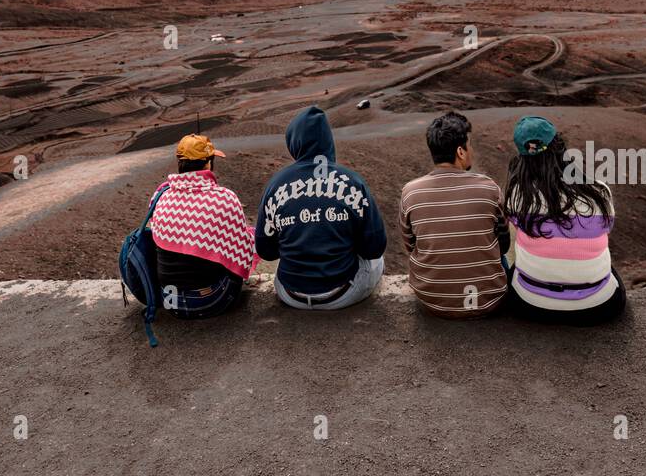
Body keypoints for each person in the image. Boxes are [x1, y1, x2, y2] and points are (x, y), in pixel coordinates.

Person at [255, 105, 387, 309]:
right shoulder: (352, 181)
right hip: (342, 293)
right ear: (328, 141)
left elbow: (266, 250)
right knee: (378, 260)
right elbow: (375, 247)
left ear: (294, 142)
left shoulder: (275, 184)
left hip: (290, 294)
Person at [504, 115, 626, 323]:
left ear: (523, 156)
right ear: (561, 148)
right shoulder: (598, 192)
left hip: (530, 306)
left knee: (518, 251)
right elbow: (606, 227)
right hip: (597, 308)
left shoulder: (516, 195)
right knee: (608, 266)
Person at [399, 110, 509, 318]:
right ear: (460, 151)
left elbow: (410, 245)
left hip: (431, 302)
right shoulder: (489, 188)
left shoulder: (410, 191)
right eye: (470, 144)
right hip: (488, 301)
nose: (472, 150)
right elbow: (504, 243)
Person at [148, 133, 257, 319]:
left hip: (170, 301)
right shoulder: (224, 198)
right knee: (248, 238)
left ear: (179, 162)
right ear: (207, 164)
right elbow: (244, 250)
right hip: (211, 301)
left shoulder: (160, 196)